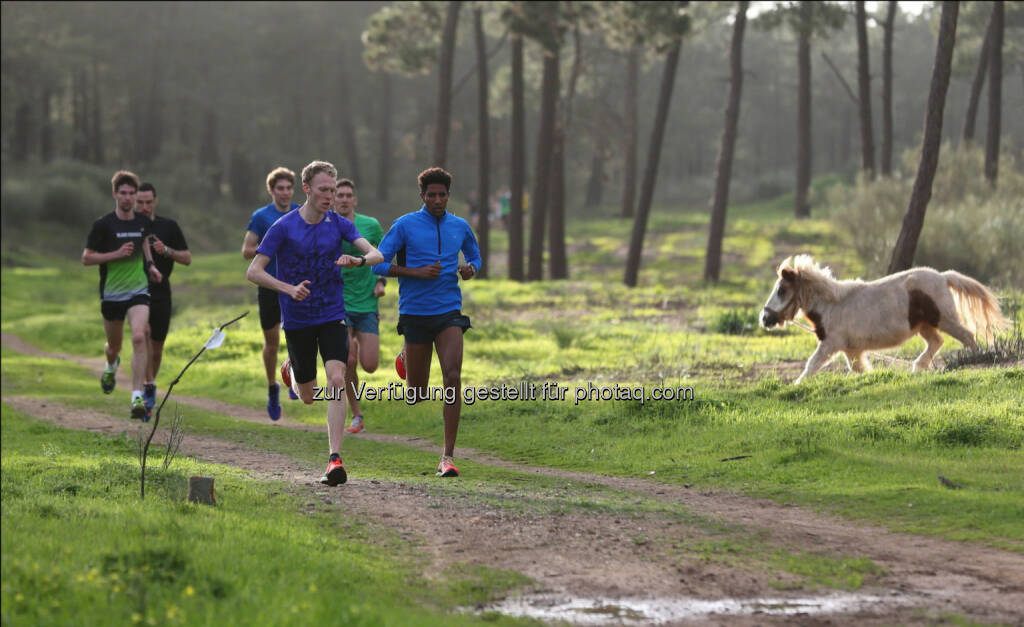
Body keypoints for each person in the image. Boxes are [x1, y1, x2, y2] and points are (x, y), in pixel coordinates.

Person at [246, 161, 383, 486]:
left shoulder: (338, 224)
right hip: (297, 319)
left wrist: (358, 260)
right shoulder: (282, 226)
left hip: (333, 313)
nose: (330, 196)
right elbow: (254, 271)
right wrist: (288, 288)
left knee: (337, 377)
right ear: (306, 189)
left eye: (333, 191)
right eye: (324, 190)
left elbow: (377, 255)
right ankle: (292, 370)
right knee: (307, 395)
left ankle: (334, 458)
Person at [372, 167, 481, 477]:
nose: (436, 199)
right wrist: (415, 272)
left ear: (448, 196)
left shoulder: (459, 226)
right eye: (431, 195)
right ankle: (406, 356)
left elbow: (475, 255)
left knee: (453, 377)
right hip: (415, 312)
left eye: (442, 195)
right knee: (417, 394)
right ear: (422, 196)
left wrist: (471, 267)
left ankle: (447, 456)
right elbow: (377, 266)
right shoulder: (405, 225)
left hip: (448, 311)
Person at [82, 170, 162, 420]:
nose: (128, 198)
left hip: (138, 290)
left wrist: (151, 266)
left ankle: (136, 396)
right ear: (115, 194)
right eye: (123, 193)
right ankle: (111, 364)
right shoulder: (103, 225)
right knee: (114, 345)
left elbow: (145, 243)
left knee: (139, 336)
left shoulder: (141, 222)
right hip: (112, 294)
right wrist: (115, 254)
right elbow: (87, 258)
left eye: (131, 193)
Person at [242, 167, 301, 420]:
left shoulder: (301, 212)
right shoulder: (261, 216)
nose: (285, 193)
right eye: (280, 188)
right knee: (273, 342)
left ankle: (295, 379)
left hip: (297, 285)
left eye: (289, 188)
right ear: (272, 190)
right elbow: (246, 250)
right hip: (268, 285)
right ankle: (271, 387)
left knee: (299, 336)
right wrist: (270, 247)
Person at [333, 178, 386, 434]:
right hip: (339, 302)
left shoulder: (370, 225)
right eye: (339, 195)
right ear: (333, 199)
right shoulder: (327, 225)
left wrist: (381, 280)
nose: (343, 199)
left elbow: (384, 253)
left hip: (367, 302)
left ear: (354, 199)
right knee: (349, 361)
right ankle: (356, 414)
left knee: (370, 364)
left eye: (347, 195)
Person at [135, 182, 191, 418]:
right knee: (143, 333)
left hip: (161, 291)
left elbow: (187, 258)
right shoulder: (128, 227)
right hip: (136, 289)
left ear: (155, 201)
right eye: (140, 202)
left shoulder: (168, 226)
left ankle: (150, 385)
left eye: (148, 202)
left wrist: (166, 250)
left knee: (157, 349)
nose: (145, 207)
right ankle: (147, 385)